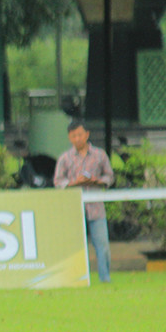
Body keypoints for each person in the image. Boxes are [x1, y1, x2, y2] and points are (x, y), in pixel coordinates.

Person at [54, 120, 115, 283]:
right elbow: (58, 182)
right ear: (69, 138)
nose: (77, 139)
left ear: (87, 135)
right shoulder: (65, 158)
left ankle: (105, 279)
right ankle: (75, 279)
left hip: (96, 209)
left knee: (102, 246)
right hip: (74, 210)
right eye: (73, 136)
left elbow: (110, 177)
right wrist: (74, 183)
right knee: (74, 248)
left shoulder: (100, 155)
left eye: (80, 135)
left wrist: (97, 181)